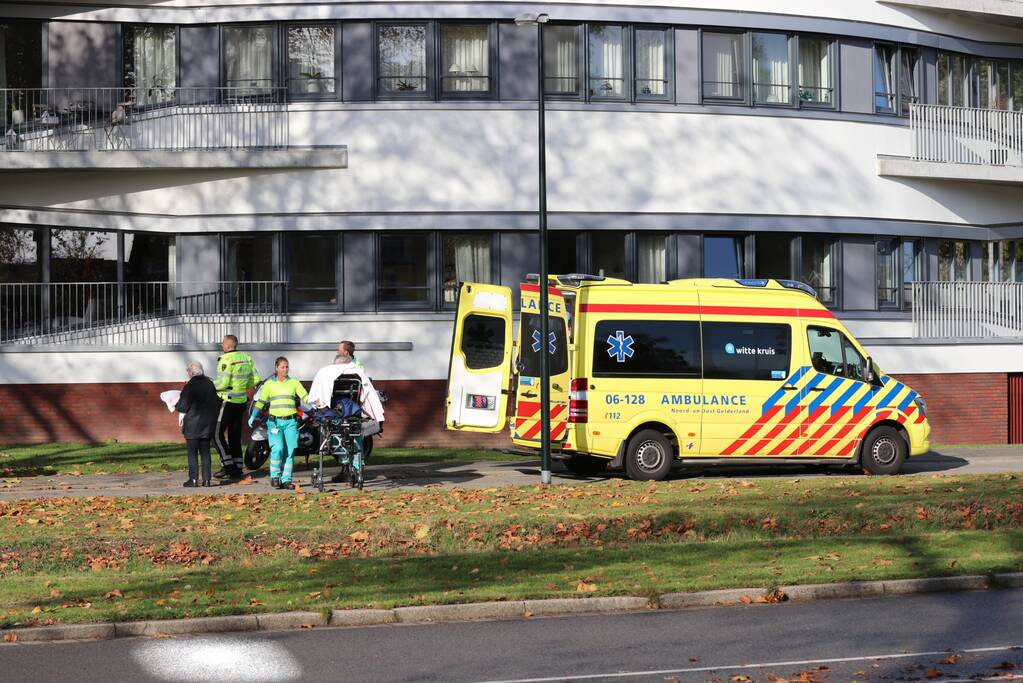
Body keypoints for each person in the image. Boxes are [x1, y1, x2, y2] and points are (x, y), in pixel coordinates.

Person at [309, 344, 385, 483]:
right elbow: (366, 391)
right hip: (353, 411)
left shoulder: (330, 373)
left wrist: (319, 407)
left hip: (335, 412)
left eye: (339, 349)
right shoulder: (357, 371)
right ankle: (355, 468)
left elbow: (320, 395)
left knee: (335, 436)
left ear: (344, 353)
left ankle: (347, 467)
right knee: (356, 438)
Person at [248, 356, 308, 491]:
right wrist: (253, 416)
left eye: (287, 367)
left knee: (290, 451)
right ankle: (275, 476)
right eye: (282, 367)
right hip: (274, 423)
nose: (285, 369)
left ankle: (286, 480)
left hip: (291, 422)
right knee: (278, 449)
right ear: (276, 368)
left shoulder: (294, 383)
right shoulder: (269, 384)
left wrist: (313, 403)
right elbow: (261, 401)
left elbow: (305, 396)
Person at [212, 334, 260, 481]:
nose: (221, 345)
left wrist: (210, 385)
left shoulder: (225, 359)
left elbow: (223, 383)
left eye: (222, 343)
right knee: (234, 436)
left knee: (215, 434)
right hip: (241, 402)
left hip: (227, 400)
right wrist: (241, 388)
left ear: (227, 345)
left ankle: (228, 466)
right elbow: (256, 380)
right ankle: (238, 468)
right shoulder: (247, 358)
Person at [174, 361, 219, 487]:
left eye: (188, 372)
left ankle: (193, 479)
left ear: (191, 372)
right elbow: (216, 402)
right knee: (205, 452)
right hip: (208, 424)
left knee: (192, 453)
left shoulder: (190, 386)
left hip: (193, 425)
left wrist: (175, 404)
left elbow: (183, 406)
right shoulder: (210, 384)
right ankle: (206, 480)